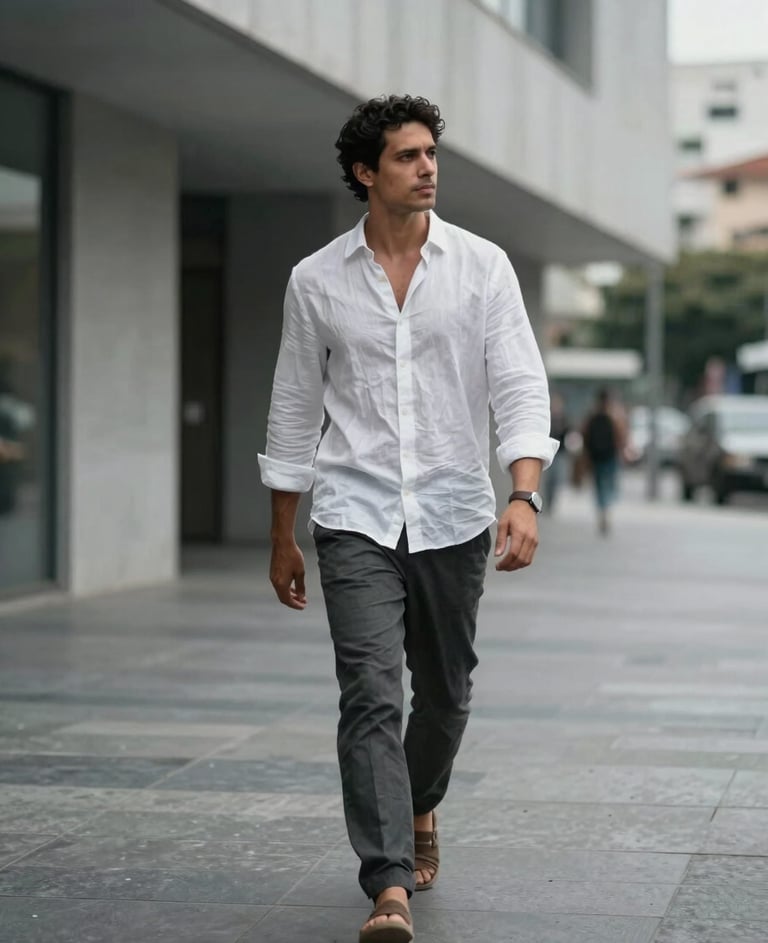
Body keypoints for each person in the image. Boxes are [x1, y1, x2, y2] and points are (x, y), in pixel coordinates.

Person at [258, 94, 557, 943]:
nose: (427, 168)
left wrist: (523, 491)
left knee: (448, 693)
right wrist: (285, 532)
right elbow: (292, 408)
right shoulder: (316, 280)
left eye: (432, 153)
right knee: (369, 693)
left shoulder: (482, 266)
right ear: (365, 172)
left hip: (455, 510)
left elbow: (518, 384)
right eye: (407, 156)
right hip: (353, 513)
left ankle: (421, 798)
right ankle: (387, 883)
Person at [581, 387, 627, 535]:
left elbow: (585, 436)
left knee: (600, 485)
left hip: (596, 457)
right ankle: (606, 508)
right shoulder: (614, 416)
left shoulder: (592, 415)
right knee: (610, 484)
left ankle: (602, 509)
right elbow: (620, 436)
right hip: (610, 457)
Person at [543, 391, 570, 513]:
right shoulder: (548, 418)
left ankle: (553, 501)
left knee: (557, 478)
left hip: (560, 453)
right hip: (548, 453)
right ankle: (548, 500)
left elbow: (569, 434)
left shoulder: (564, 419)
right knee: (549, 479)